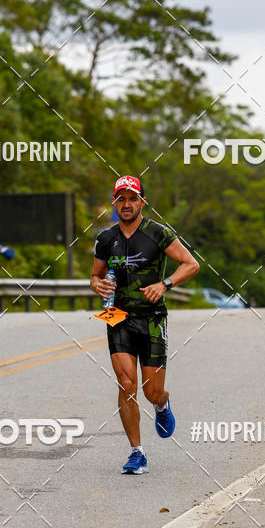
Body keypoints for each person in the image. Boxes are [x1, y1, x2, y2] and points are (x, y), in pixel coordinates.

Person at [90, 175, 199, 475]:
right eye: (121, 199)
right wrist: (97, 286)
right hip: (118, 318)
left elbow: (191, 264)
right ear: (114, 202)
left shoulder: (158, 234)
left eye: (132, 198)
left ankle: (162, 405)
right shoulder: (105, 238)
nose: (127, 204)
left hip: (152, 319)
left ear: (142, 202)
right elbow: (95, 276)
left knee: (153, 391)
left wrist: (164, 284)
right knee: (126, 384)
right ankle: (136, 452)